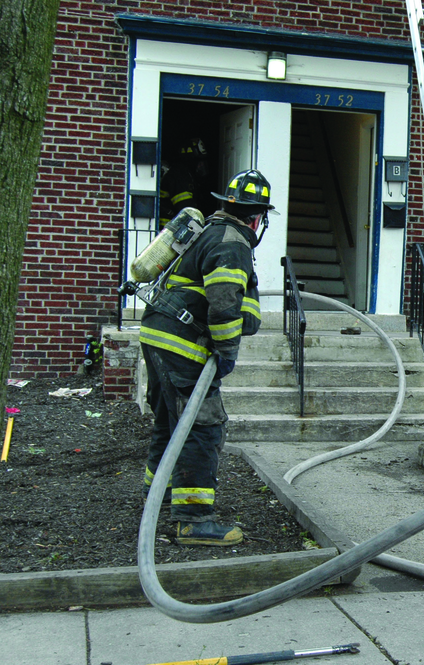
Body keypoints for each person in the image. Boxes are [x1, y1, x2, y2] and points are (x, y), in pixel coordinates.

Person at [140, 169, 272, 546]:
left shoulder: (207, 231)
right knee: (203, 427)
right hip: (182, 345)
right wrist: (228, 353)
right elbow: (224, 307)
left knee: (170, 421)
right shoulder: (233, 242)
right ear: (257, 216)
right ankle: (194, 520)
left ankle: (158, 495)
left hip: (159, 335)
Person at [159, 138, 213, 227]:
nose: (201, 166)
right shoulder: (179, 177)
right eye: (199, 162)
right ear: (191, 160)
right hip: (171, 230)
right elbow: (187, 211)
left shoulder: (186, 175)